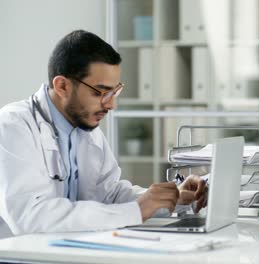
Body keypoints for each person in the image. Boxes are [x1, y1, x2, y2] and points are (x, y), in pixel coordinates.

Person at [0, 30, 206, 235]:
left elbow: (110, 195)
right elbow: (30, 217)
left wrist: (171, 199)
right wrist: (136, 210)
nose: (111, 104)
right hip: (19, 253)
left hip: (68, 249)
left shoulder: (85, 126)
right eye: (100, 92)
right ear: (62, 86)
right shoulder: (13, 125)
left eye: (114, 92)